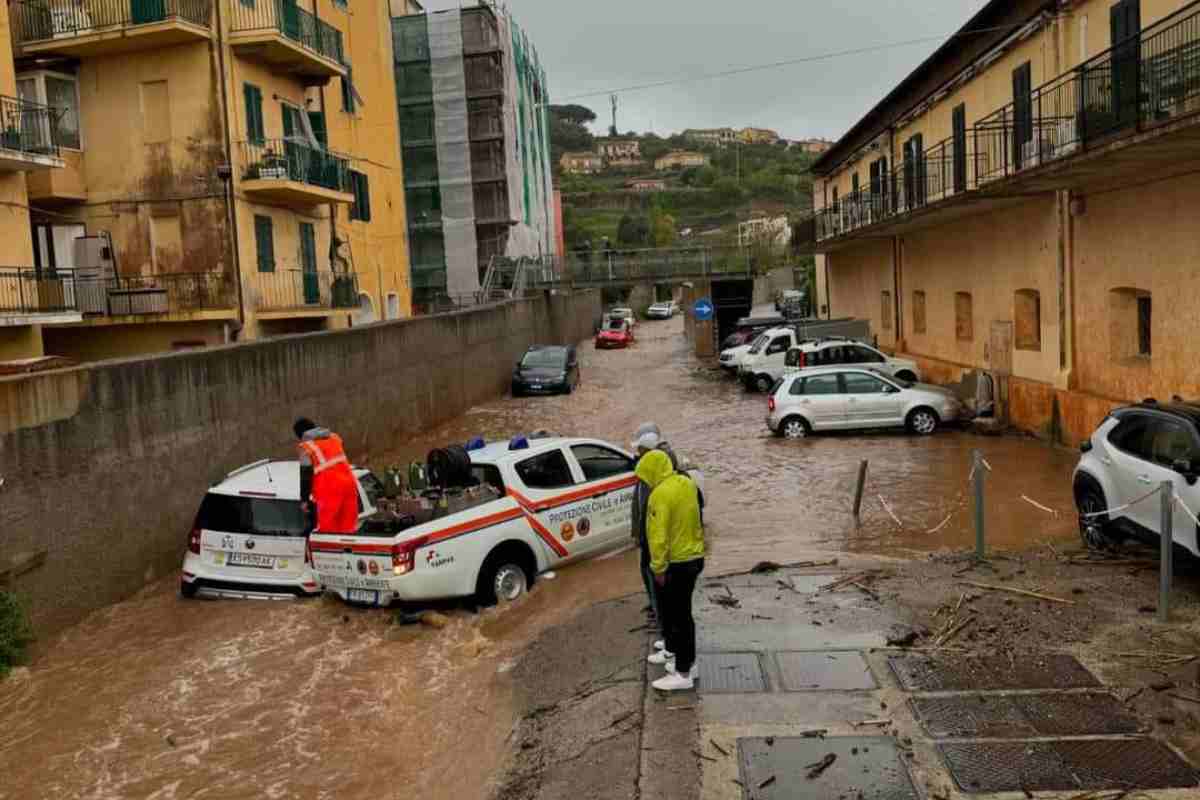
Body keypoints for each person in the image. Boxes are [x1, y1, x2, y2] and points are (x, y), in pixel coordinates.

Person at [638, 449, 705, 692]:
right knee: (684, 616)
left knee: (677, 617)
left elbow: (658, 537)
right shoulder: (686, 483)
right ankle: (687, 663)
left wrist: (658, 567)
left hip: (675, 563)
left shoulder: (659, 495)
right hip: (694, 557)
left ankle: (683, 673)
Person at [631, 424, 679, 632]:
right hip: (645, 536)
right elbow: (639, 506)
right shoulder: (648, 472)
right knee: (648, 574)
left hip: (653, 539)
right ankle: (657, 611)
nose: (637, 454)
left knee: (657, 578)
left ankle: (663, 624)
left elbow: (655, 517)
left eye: (640, 450)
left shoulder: (658, 479)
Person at [294, 417, 360, 535]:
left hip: (328, 490)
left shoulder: (306, 447)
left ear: (300, 434)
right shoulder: (334, 437)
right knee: (348, 529)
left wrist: (304, 500)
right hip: (349, 485)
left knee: (327, 531)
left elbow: (305, 476)